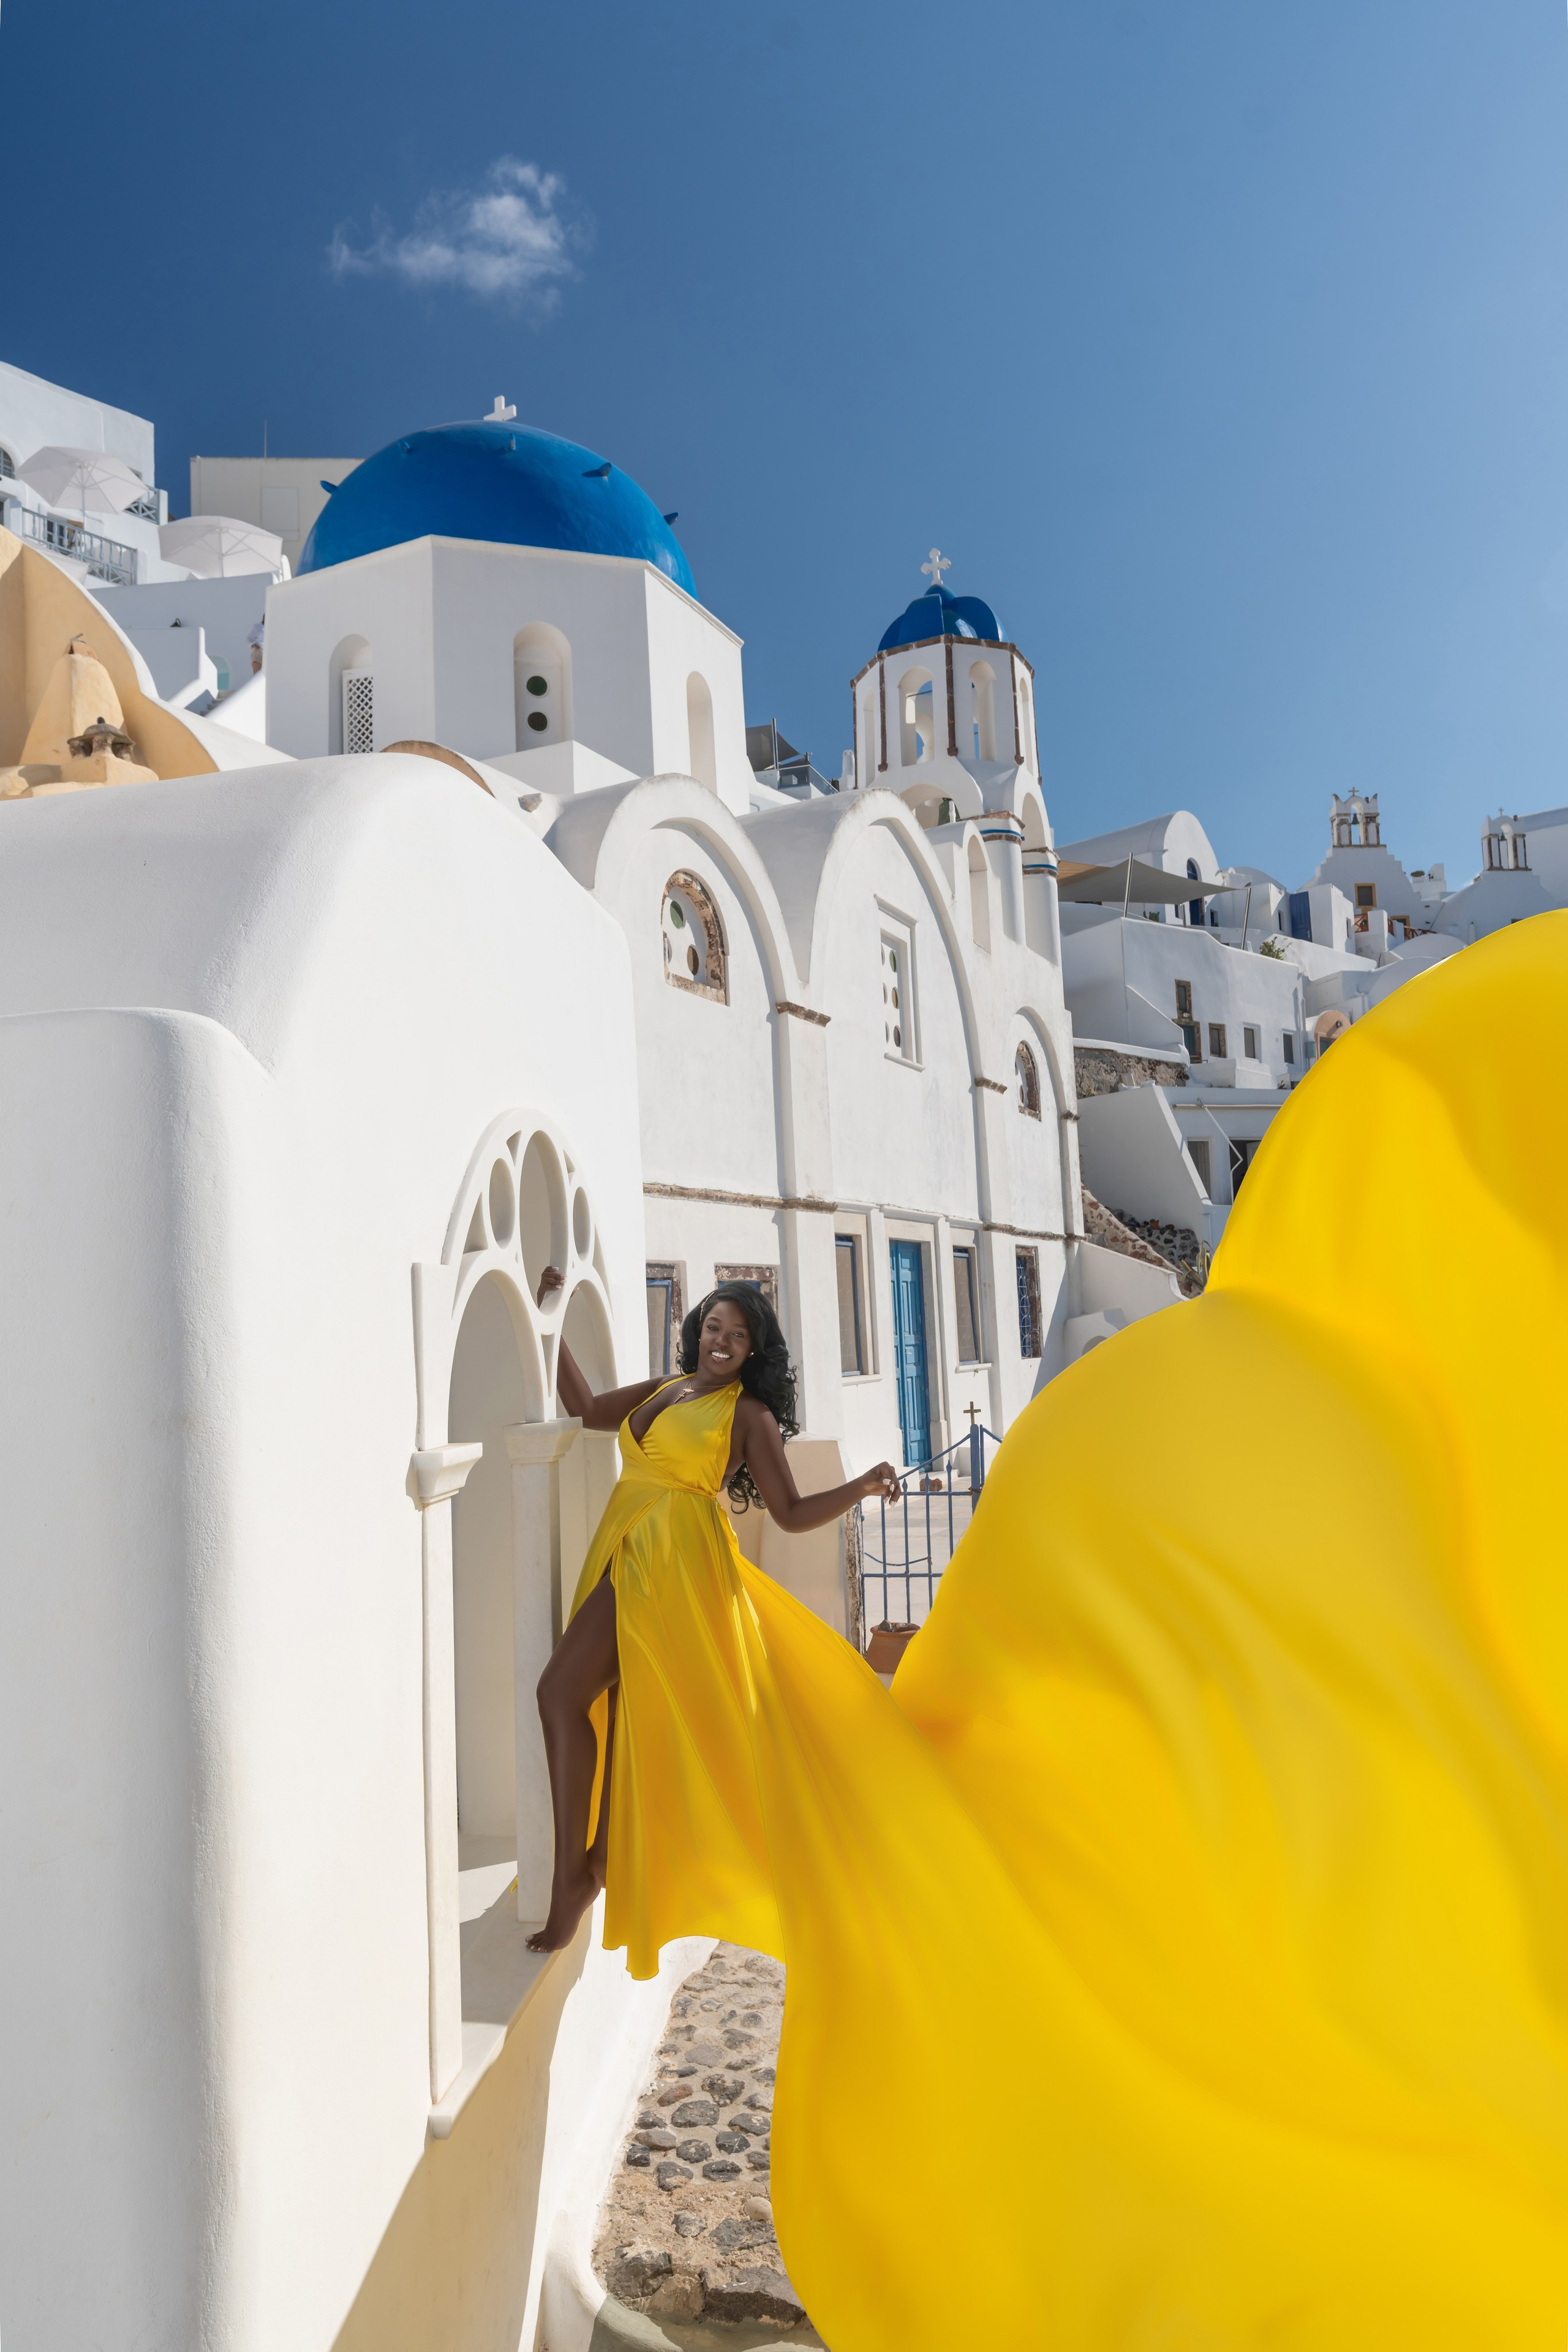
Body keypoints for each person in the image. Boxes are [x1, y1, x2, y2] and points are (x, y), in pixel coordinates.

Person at [524, 1273, 899, 1956]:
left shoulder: (748, 1415)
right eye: (714, 1326)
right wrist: (544, 1311)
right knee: (596, 1703)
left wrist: (862, 1486)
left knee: (564, 1694)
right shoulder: (663, 1389)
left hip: (676, 1567)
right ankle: (594, 1867)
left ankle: (571, 1883)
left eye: (738, 1335)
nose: (722, 1341)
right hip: (624, 1548)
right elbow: (581, 1408)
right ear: (697, 1327)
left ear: (752, 1350)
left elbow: (787, 1514)